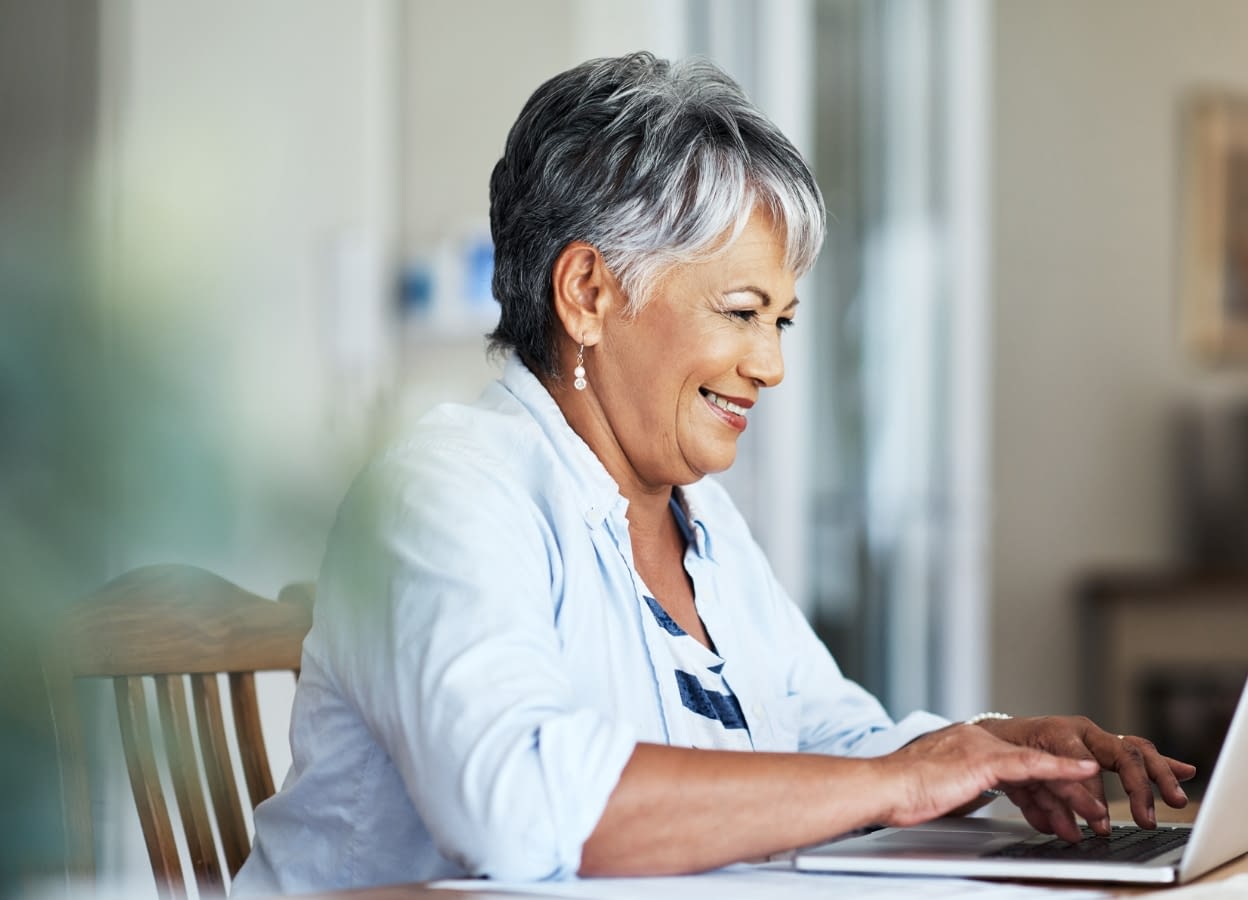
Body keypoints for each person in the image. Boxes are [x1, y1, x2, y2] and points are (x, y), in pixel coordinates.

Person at [234, 51, 1194, 894]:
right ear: (589, 292)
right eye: (740, 312)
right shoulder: (443, 490)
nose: (771, 364)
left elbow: (822, 742)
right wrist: (897, 783)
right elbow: (515, 802)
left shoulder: (701, 521)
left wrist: (987, 752)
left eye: (781, 321)